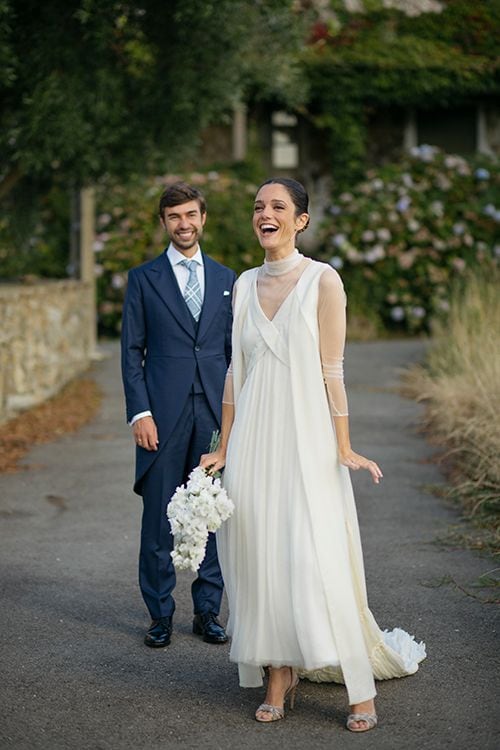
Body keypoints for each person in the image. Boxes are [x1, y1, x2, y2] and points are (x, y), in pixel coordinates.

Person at [200, 177, 425, 732]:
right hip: (253, 442)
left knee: (315, 557)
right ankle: (279, 674)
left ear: (300, 220)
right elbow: (236, 371)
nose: (264, 214)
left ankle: (357, 683)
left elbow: (333, 371)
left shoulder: (324, 280)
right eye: (258, 207)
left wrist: (343, 445)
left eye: (278, 206)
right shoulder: (245, 285)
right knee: (262, 559)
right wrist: (223, 446)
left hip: (307, 442)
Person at [121, 182, 236, 649]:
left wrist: (236, 418)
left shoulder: (230, 279)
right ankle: (160, 614)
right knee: (158, 517)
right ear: (164, 223)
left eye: (191, 215)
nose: (183, 224)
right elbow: (131, 351)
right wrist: (139, 413)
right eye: (174, 217)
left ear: (203, 218)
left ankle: (207, 611)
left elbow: (234, 353)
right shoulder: (143, 279)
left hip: (213, 412)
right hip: (162, 415)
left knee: (210, 514)